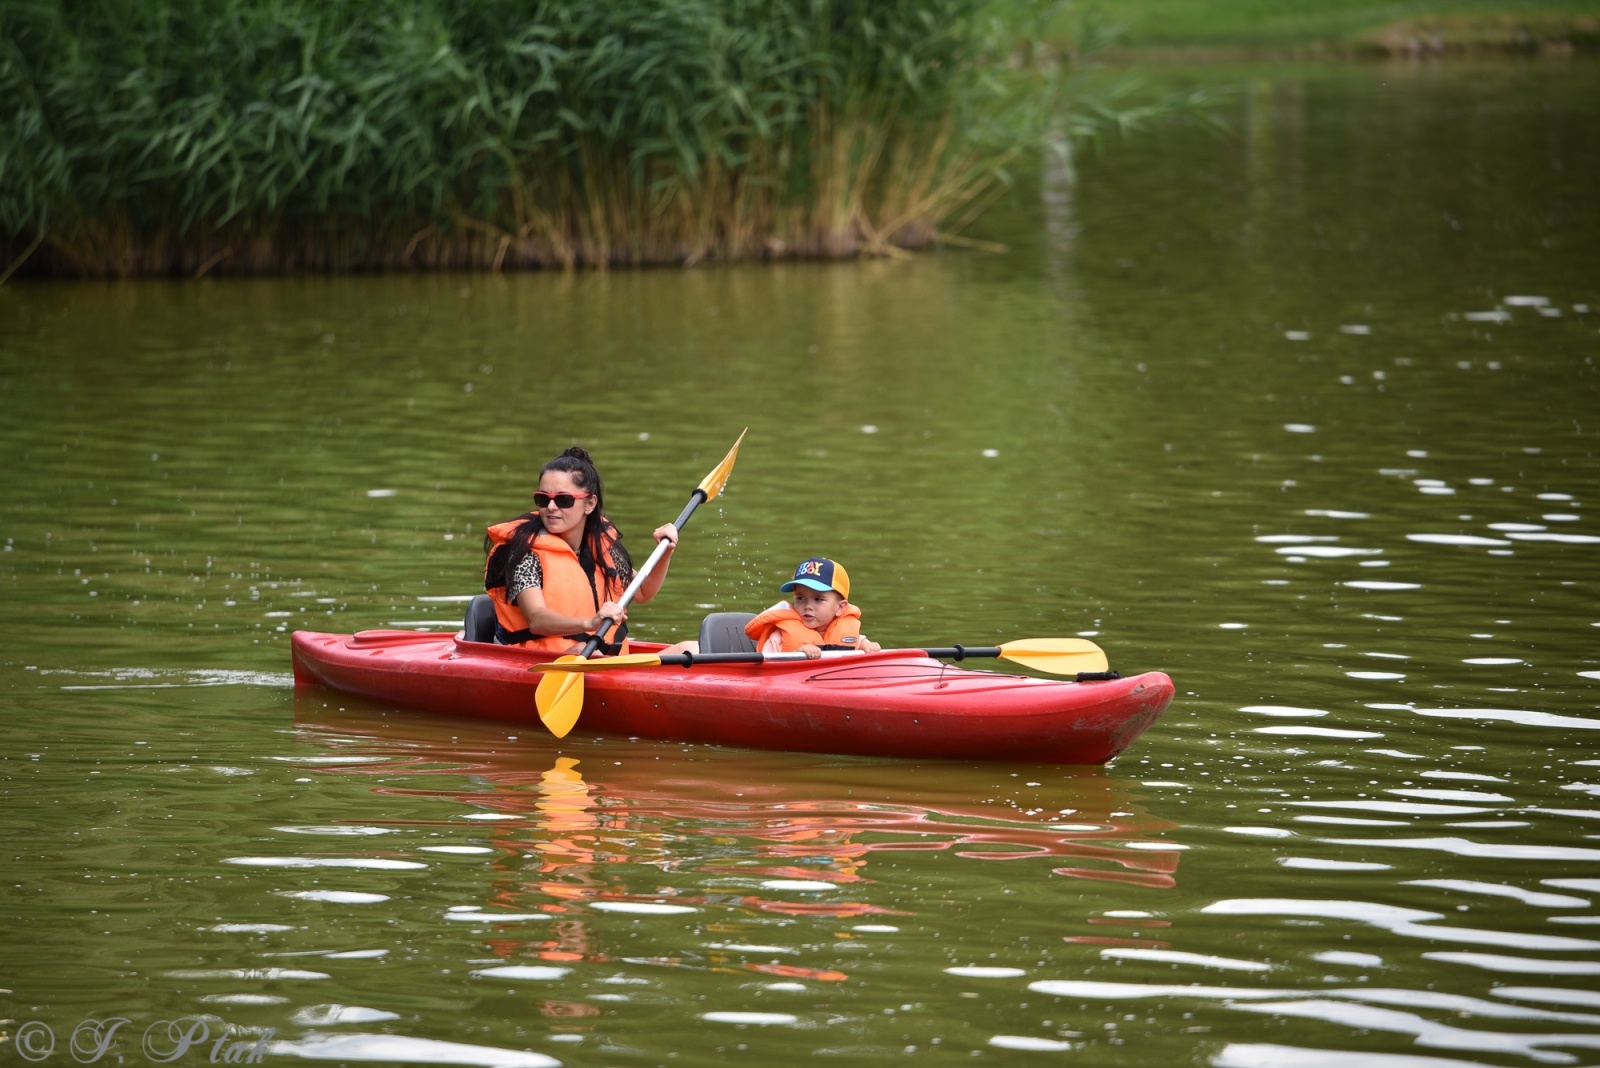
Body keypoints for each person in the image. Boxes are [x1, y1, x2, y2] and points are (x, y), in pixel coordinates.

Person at [482, 446, 678, 653]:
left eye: (563, 500)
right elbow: (536, 619)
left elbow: (643, 592)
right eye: (543, 499)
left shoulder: (602, 546)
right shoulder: (524, 552)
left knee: (691, 648)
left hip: (603, 658)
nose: (551, 507)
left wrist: (665, 551)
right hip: (544, 659)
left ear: (590, 503)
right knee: (588, 651)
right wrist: (590, 623)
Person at [743, 557, 881, 659]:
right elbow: (765, 670)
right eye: (800, 598)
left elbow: (859, 641)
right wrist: (797, 654)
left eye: (818, 599)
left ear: (840, 608)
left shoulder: (849, 634)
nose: (808, 606)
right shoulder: (779, 637)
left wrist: (867, 646)